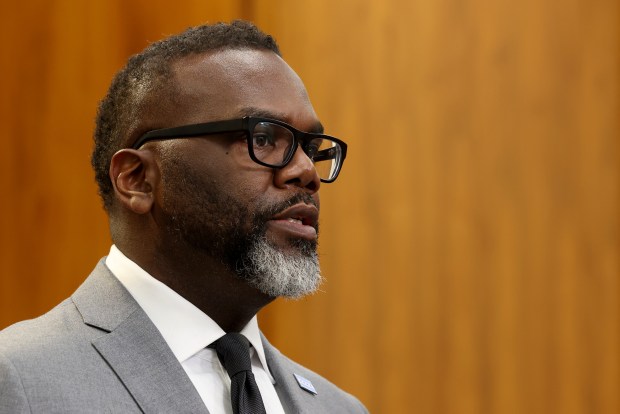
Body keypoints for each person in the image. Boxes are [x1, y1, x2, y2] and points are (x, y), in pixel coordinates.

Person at [0, 21, 366, 413]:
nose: (306, 171)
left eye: (310, 147)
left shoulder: (337, 407)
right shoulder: (21, 379)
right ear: (137, 180)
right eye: (262, 138)